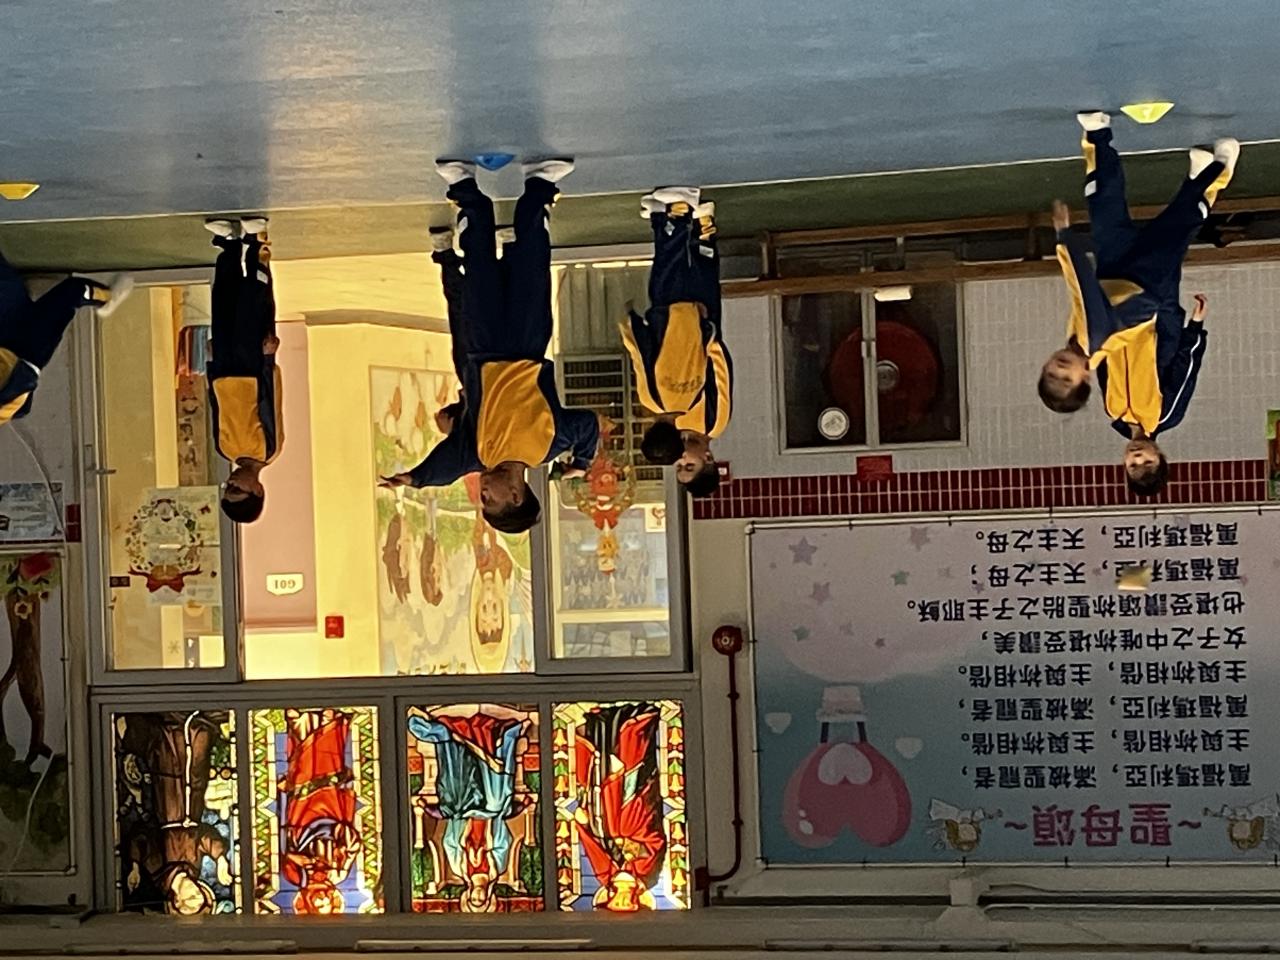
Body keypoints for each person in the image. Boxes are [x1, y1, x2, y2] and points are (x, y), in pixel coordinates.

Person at [380, 160, 601, 534]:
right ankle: (539, 185)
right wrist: (581, 462)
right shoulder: (547, 446)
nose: (481, 493)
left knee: (479, 262)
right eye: (489, 500)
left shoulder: (478, 453)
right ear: (515, 495)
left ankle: (465, 188)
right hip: (530, 341)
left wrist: (415, 478)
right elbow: (587, 425)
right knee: (532, 259)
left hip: (483, 345)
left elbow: (448, 466)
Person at [1038, 112, 1238, 497]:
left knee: (1106, 210)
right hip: (1153, 304)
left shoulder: (1112, 411)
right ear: (1160, 456)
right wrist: (1195, 328)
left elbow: (1090, 318)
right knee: (1177, 226)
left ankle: (1098, 135)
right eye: (1146, 462)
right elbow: (1185, 369)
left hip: (1112, 285)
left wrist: (1067, 245)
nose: (1137, 457)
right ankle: (1217, 172)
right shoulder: (1166, 414)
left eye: (1132, 465)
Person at [621, 186, 731, 498]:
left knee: (673, 278)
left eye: (678, 465)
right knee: (700, 279)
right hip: (702, 332)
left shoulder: (669, 418)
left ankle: (671, 220)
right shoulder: (714, 422)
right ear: (708, 459)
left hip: (676, 329)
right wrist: (710, 337)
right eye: (689, 465)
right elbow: (720, 376)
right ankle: (697, 224)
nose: (682, 458)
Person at [203, 216, 282, 523]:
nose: (231, 482)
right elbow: (270, 401)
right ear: (258, 490)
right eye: (238, 489)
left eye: (228, 488)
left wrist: (211, 366)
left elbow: (216, 408)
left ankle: (229, 245)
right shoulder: (269, 449)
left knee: (223, 301)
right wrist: (268, 359)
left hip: (224, 370)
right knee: (254, 300)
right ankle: (256, 243)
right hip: (252, 367)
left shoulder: (225, 450)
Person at [0, 247, 129, 425]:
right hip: (28, 352)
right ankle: (108, 298)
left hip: (6, 334)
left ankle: (28, 296)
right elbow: (20, 399)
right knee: (73, 292)